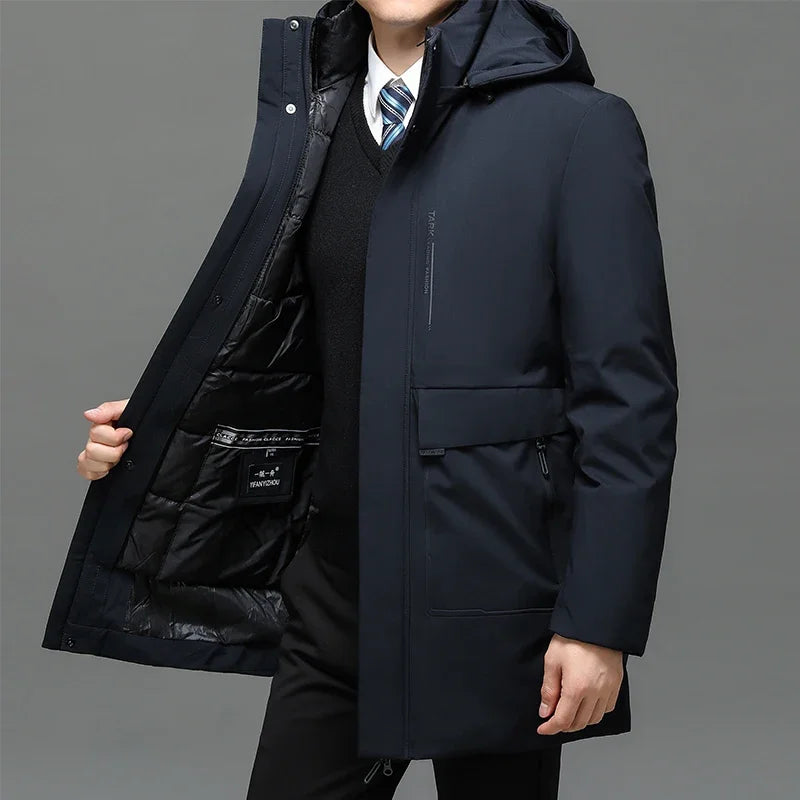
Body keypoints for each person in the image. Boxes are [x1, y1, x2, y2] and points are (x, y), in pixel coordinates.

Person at [52, 1, 678, 798]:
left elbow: (629, 400)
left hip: (496, 594)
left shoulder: (578, 128)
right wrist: (164, 436)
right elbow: (294, 352)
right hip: (337, 590)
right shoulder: (313, 122)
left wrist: (597, 624)